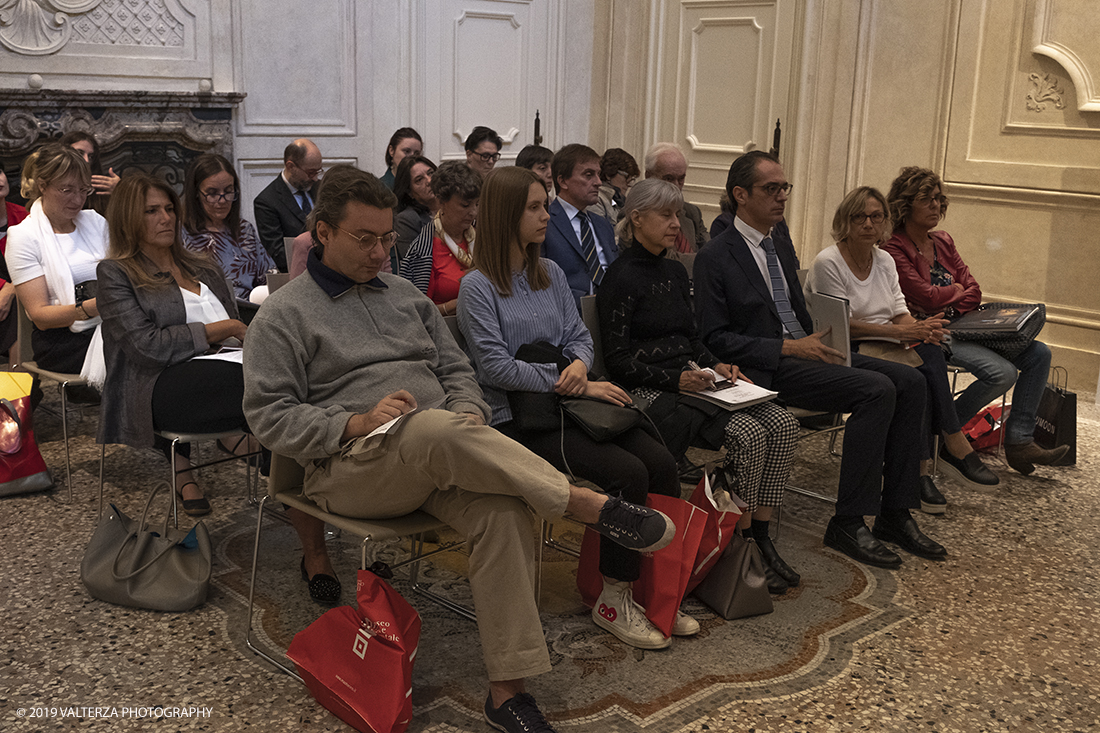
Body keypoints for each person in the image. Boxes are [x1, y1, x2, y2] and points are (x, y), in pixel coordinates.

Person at [242, 163, 674, 733]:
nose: (379, 253)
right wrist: (354, 421)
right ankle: (581, 504)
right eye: (364, 239)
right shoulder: (284, 314)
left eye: (387, 239)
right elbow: (268, 417)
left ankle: (508, 692)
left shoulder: (403, 296)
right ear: (322, 232)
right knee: (427, 427)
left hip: (440, 450)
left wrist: (469, 413)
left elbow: (457, 369)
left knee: (504, 510)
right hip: (349, 467)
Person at [458, 167, 694, 648]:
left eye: (545, 205)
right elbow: (495, 370)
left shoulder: (549, 274)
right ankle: (613, 597)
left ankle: (655, 591)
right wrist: (576, 386)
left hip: (568, 406)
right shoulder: (477, 287)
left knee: (662, 463)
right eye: (534, 207)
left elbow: (579, 337)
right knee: (627, 473)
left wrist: (583, 367)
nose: (546, 216)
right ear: (506, 214)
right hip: (520, 420)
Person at [695, 150, 946, 567]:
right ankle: (848, 520)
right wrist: (790, 347)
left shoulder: (777, 243)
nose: (781, 197)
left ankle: (896, 513)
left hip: (808, 351)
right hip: (766, 367)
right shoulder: (716, 256)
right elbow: (713, 338)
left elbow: (795, 311)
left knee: (912, 381)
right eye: (770, 189)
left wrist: (819, 337)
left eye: (784, 188)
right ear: (740, 194)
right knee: (877, 389)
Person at [599, 179, 802, 592]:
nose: (677, 224)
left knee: (783, 425)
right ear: (636, 218)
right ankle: (737, 542)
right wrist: (679, 379)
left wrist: (719, 364)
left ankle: (760, 537)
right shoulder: (619, 278)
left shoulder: (675, 270)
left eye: (678, 215)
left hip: (693, 379)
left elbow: (693, 340)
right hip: (654, 391)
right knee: (749, 436)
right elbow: (619, 363)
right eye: (666, 215)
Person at [806, 186, 999, 515]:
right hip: (847, 345)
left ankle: (923, 467)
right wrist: (903, 331)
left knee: (929, 350)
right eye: (860, 217)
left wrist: (919, 329)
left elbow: (898, 308)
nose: (868, 224)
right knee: (917, 372)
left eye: (876, 217)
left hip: (887, 339)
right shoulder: (829, 262)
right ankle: (942, 452)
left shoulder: (883, 259)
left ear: (884, 222)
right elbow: (840, 325)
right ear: (845, 221)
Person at [882, 166, 1069, 475]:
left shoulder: (942, 240)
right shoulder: (893, 247)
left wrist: (950, 292)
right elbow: (925, 297)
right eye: (926, 199)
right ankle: (940, 432)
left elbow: (974, 292)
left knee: (1039, 353)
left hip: (968, 326)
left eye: (939, 199)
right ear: (906, 204)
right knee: (1002, 373)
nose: (936, 206)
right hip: (931, 331)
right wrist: (955, 290)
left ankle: (1020, 442)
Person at [96, 173, 255, 516]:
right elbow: (147, 347)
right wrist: (221, 328)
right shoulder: (116, 273)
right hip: (159, 383)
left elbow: (240, 316)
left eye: (169, 208)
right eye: (151, 211)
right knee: (262, 381)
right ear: (128, 219)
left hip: (225, 369)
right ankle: (284, 469)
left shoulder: (202, 265)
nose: (166, 218)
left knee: (287, 368)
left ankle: (290, 473)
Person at [5, 144, 107, 381]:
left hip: (107, 327)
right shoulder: (24, 236)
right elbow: (40, 315)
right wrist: (94, 307)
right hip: (62, 341)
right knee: (145, 351)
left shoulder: (95, 222)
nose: (78, 199)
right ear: (43, 185)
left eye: (84, 190)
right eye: (67, 190)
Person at [182, 154, 276, 302]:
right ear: (196, 194)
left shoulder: (244, 229)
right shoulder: (182, 234)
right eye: (212, 193)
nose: (222, 200)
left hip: (252, 309)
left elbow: (271, 276)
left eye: (228, 191)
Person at [400, 160, 480, 315]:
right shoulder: (423, 251)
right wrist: (450, 307)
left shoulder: (482, 238)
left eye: (477, 204)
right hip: (445, 331)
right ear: (442, 201)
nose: (474, 212)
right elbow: (414, 313)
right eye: (465, 205)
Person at [542, 144, 618, 307]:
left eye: (598, 174)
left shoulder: (602, 224)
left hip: (611, 310)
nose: (598, 182)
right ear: (563, 181)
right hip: (567, 313)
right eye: (588, 175)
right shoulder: (545, 222)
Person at [253, 138, 323, 271]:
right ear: (291, 166)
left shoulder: (320, 188)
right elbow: (278, 254)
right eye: (311, 172)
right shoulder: (267, 202)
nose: (315, 178)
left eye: (318, 172)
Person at [644, 143, 709, 251]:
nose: (676, 186)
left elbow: (710, 253)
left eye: (681, 179)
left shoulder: (692, 213)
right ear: (649, 176)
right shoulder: (639, 214)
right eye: (668, 179)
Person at [0, 169, 28, 358]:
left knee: (22, 303)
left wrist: (12, 289)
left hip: (19, 291)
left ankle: (22, 383)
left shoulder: (24, 216)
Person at [59, 130, 120, 215]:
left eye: (90, 156)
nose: (87, 160)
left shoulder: (99, 190)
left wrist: (121, 192)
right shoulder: (53, 182)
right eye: (80, 153)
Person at [392, 154, 438, 264]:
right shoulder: (407, 220)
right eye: (419, 180)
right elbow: (415, 264)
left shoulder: (455, 206)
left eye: (431, 173)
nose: (429, 181)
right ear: (409, 192)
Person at [588, 147, 639, 228]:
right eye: (626, 177)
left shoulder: (620, 201)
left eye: (632, 179)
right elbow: (601, 233)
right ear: (608, 174)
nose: (629, 184)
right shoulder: (596, 199)